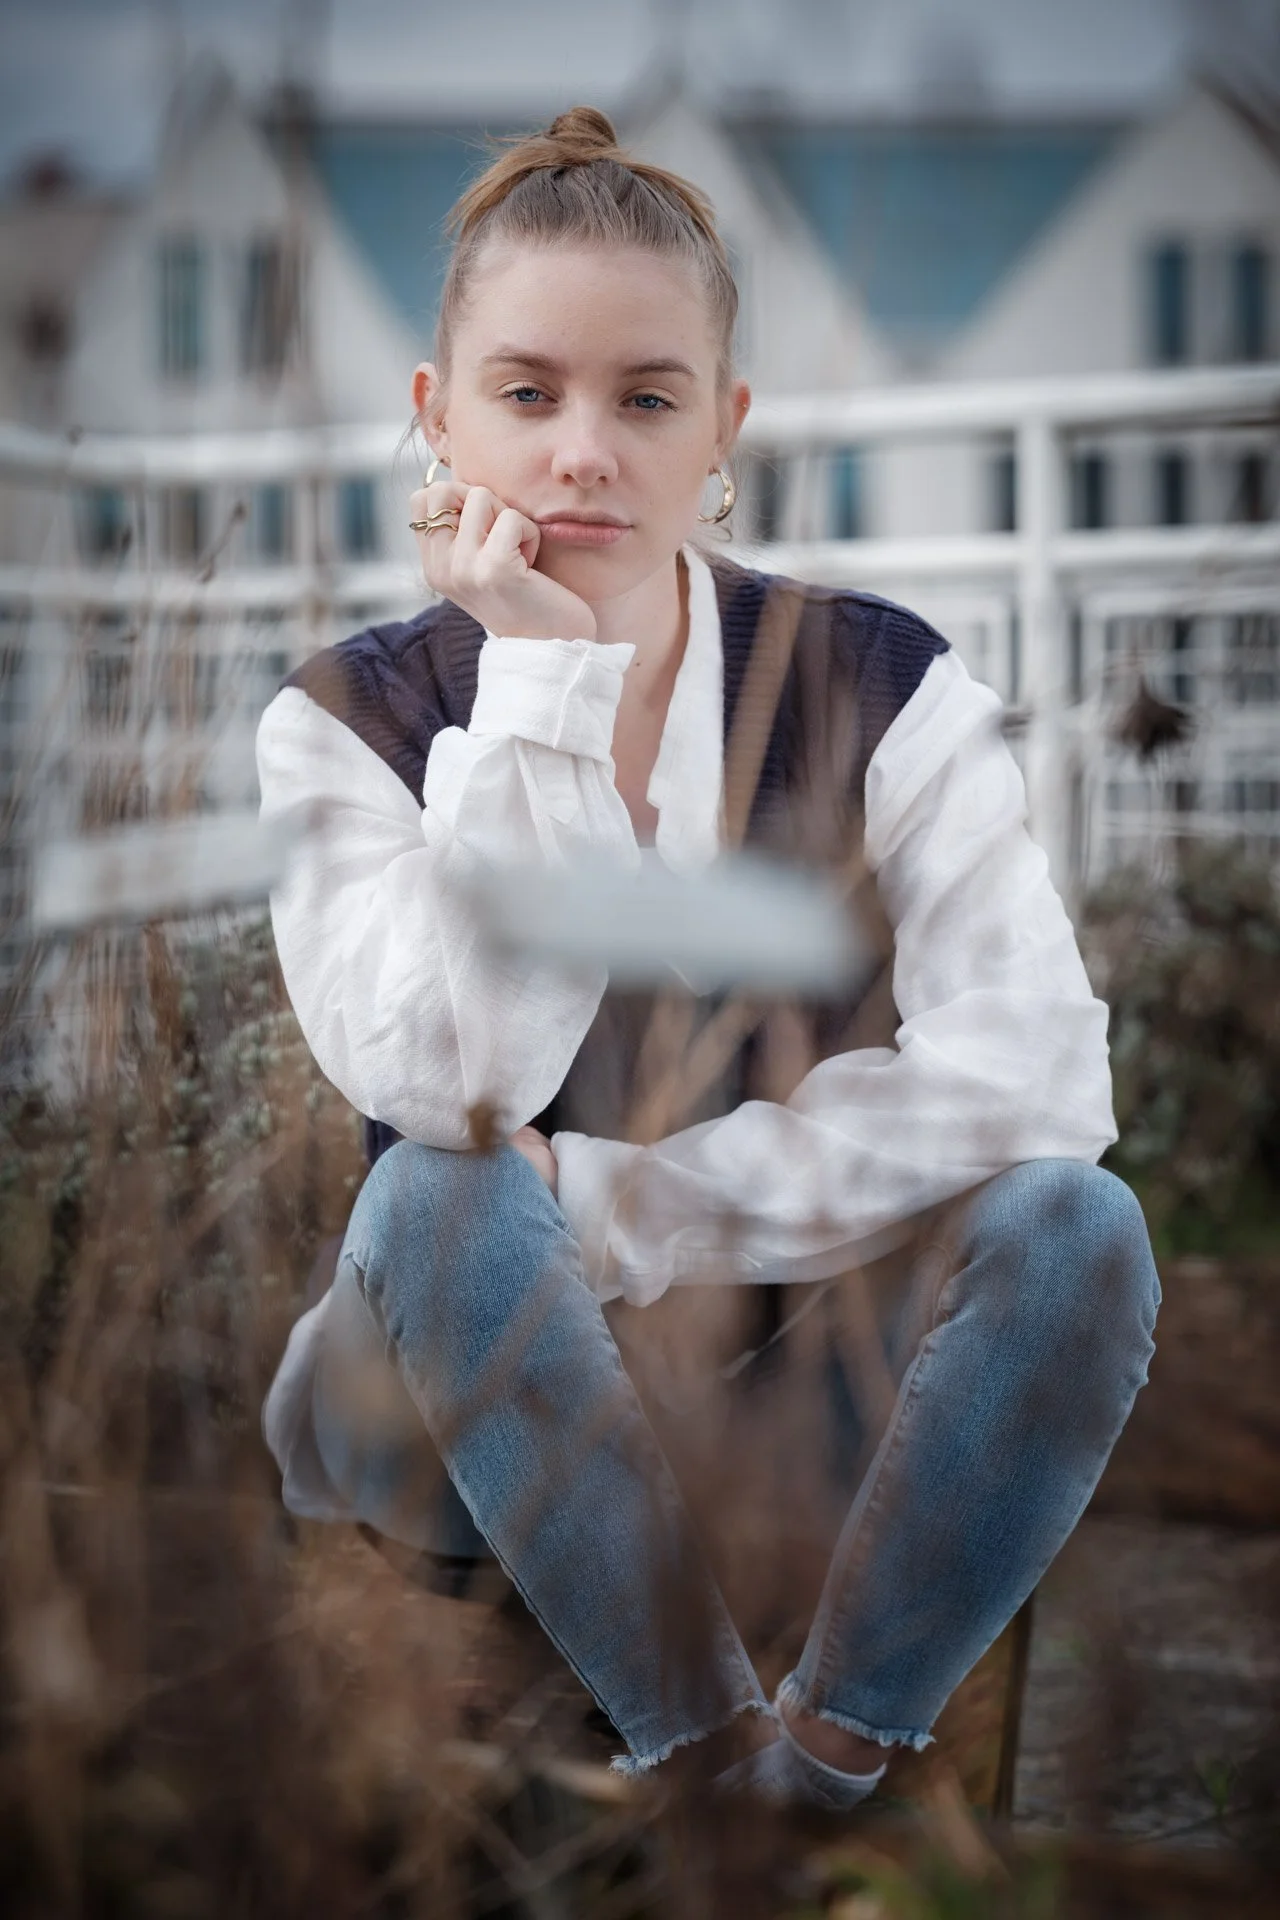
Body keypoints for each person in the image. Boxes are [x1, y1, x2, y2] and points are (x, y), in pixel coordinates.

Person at [256, 107, 1161, 1810]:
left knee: (1078, 1228)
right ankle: (701, 1745)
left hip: (780, 1409)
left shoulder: (883, 689)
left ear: (723, 432)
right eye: (526, 395)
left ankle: (815, 1763)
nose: (584, 453)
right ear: (436, 420)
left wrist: (613, 1213)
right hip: (454, 1434)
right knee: (441, 1200)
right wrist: (535, 677)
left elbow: (1045, 1076)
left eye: (645, 398)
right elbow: (453, 1093)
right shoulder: (344, 724)